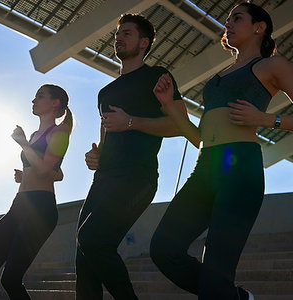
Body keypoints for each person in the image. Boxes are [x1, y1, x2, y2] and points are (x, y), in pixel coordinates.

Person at [149, 2, 293, 300]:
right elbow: (201, 138)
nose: (227, 23)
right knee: (163, 249)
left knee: (216, 269)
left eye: (237, 18)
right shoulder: (220, 76)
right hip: (206, 166)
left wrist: (268, 119)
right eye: (227, 19)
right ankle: (237, 298)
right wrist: (169, 106)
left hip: (240, 169)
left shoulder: (272, 65)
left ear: (260, 26)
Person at [76, 13, 187, 300]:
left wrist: (131, 122)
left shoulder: (157, 77)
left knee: (93, 241)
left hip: (136, 178)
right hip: (102, 180)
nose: (119, 37)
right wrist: (97, 154)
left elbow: (180, 125)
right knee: (84, 257)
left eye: (127, 33)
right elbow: (106, 132)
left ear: (143, 43)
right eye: (117, 34)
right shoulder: (106, 91)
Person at [0, 84, 73, 300]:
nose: (33, 100)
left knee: (10, 279)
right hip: (19, 205)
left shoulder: (60, 131)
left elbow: (46, 169)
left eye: (40, 96)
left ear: (55, 103)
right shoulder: (36, 134)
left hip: (40, 209)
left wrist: (23, 143)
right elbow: (57, 172)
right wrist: (25, 175)